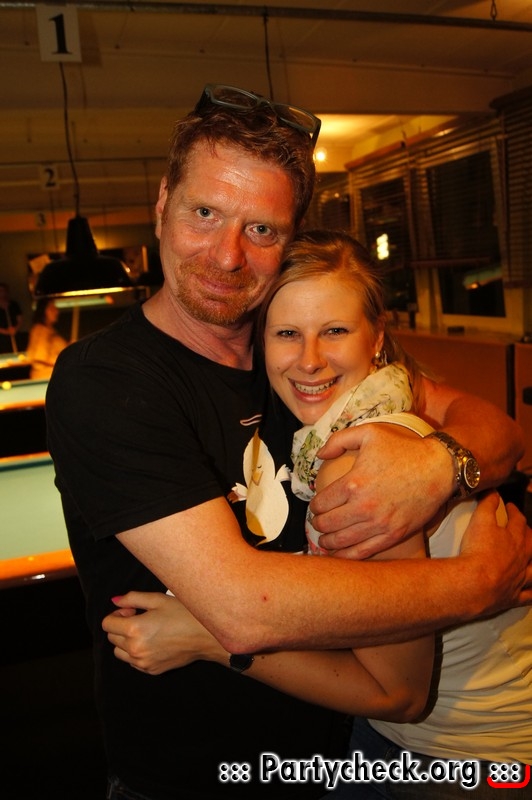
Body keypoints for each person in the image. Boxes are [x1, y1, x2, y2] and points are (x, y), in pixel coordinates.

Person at [45, 84, 531, 800]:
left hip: (344, 753)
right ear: (163, 202)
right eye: (204, 213)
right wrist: (478, 584)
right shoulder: (108, 381)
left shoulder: (299, 361)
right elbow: (241, 608)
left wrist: (438, 464)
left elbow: (499, 432)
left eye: (262, 230)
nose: (227, 256)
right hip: (196, 778)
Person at [106, 231, 531, 798]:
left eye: (334, 331)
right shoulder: (360, 410)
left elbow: (398, 695)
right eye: (287, 333)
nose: (309, 360)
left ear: (376, 337)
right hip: (404, 742)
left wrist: (207, 636)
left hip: (464, 757)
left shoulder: (359, 464)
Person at [26, 298, 68, 379]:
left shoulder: (48, 330)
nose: (56, 311)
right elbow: (39, 360)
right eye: (52, 308)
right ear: (43, 311)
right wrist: (63, 362)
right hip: (47, 378)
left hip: (53, 377)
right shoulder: (41, 331)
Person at [0, 281, 23, 353]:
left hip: (15, 335)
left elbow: (20, 320)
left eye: (4, 290)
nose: (2, 293)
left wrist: (15, 329)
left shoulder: (14, 305)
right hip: (1, 339)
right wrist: (6, 332)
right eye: (0, 291)